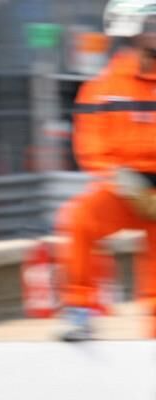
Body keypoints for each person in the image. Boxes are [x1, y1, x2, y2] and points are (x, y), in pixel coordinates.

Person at [57, 0, 156, 341]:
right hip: (124, 187)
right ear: (131, 30)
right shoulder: (100, 89)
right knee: (79, 219)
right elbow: (91, 149)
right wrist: (127, 184)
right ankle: (80, 309)